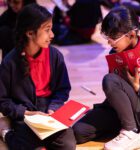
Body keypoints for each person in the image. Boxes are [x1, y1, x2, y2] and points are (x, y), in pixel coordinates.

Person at [73, 5, 140, 150]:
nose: (109, 42)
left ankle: (132, 132)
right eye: (107, 37)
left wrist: (139, 88)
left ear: (131, 35)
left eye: (113, 38)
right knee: (78, 132)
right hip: (120, 109)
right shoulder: (115, 51)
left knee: (109, 80)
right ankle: (125, 125)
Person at [0, 3, 76, 150]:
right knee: (23, 146)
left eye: (51, 29)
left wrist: (53, 109)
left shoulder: (55, 56)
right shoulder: (10, 62)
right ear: (30, 33)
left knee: (68, 145)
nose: (52, 35)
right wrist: (26, 113)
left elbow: (63, 90)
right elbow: (2, 100)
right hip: (27, 112)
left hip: (48, 111)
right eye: (47, 30)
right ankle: (5, 131)